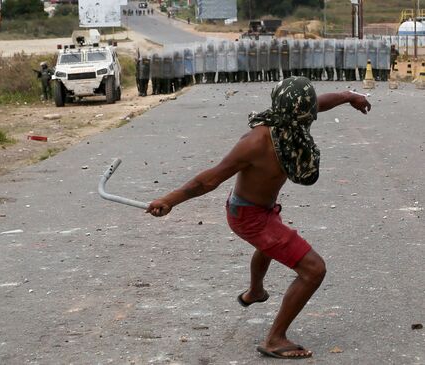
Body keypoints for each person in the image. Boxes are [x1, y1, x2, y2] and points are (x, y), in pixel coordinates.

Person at [146, 77, 371, 359]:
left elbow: (317, 104)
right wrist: (169, 200)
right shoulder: (256, 141)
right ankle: (275, 339)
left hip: (261, 210)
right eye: (308, 109)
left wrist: (349, 95)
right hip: (248, 216)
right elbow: (209, 180)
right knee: (314, 270)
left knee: (269, 244)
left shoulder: (292, 122)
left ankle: (255, 291)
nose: (311, 113)